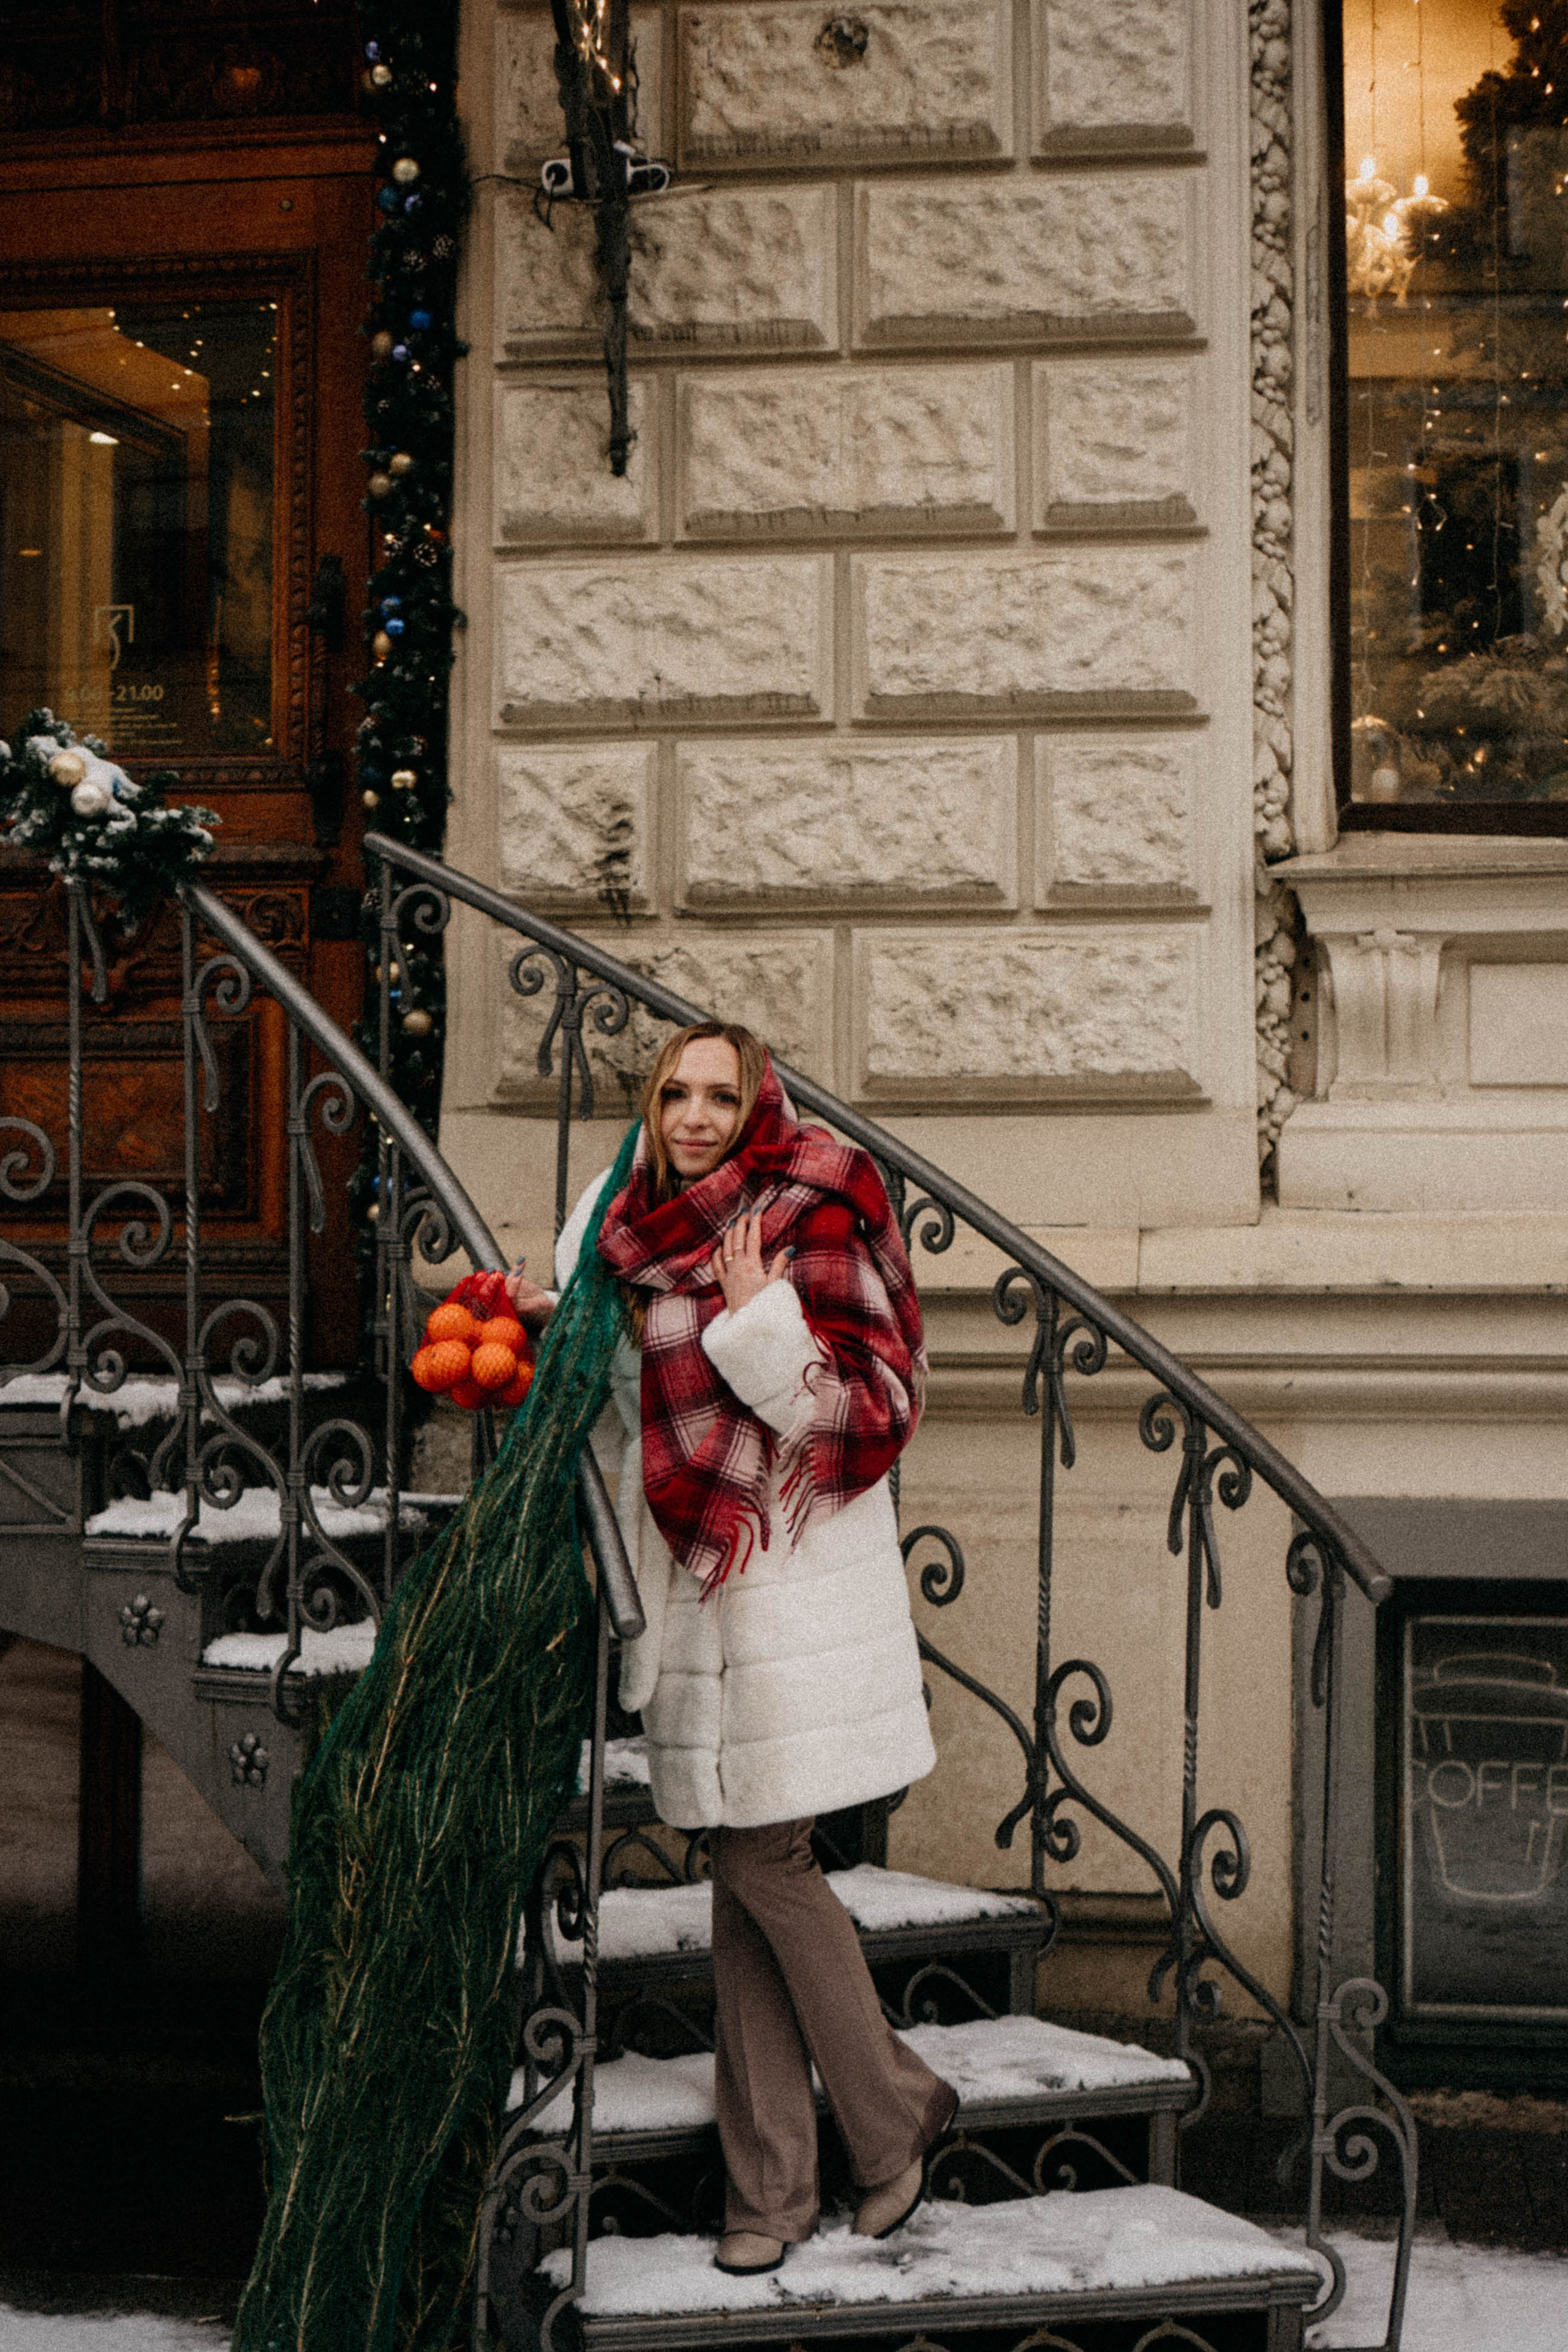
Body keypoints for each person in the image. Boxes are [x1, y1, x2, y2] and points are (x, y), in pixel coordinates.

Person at [506, 1022, 955, 2276]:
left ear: (759, 1104)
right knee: (743, 1867)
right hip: (699, 1577)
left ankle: (887, 2107)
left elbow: (867, 1415)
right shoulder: (625, 1216)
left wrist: (762, 1323)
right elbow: (633, 1404)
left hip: (791, 1575)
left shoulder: (816, 1200)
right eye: (673, 1092)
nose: (694, 1115)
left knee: (762, 1855)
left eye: (720, 1093)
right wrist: (563, 1325)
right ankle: (769, 2192)